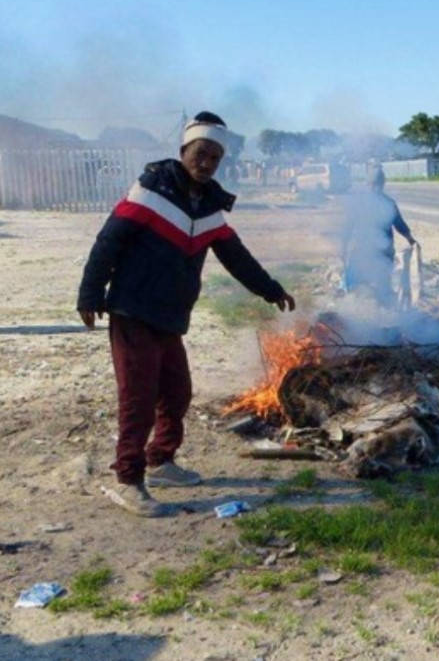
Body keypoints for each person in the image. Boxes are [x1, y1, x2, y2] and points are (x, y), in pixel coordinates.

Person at [78, 111, 296, 518]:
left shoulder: (208, 206)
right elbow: (107, 241)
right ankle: (129, 479)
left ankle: (161, 460)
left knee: (177, 393)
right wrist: (90, 293)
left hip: (170, 317)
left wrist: (271, 290)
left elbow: (236, 256)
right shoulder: (150, 192)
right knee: (137, 399)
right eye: (200, 153)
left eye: (214, 157)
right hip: (132, 309)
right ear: (183, 151)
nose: (206, 162)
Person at [341, 167, 415, 307]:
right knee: (378, 283)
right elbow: (400, 226)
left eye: (375, 185)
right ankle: (378, 309)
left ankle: (364, 310)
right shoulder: (388, 203)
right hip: (376, 250)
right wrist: (410, 239)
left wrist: (342, 248)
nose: (375, 187)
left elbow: (347, 228)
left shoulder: (361, 203)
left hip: (367, 250)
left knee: (358, 281)